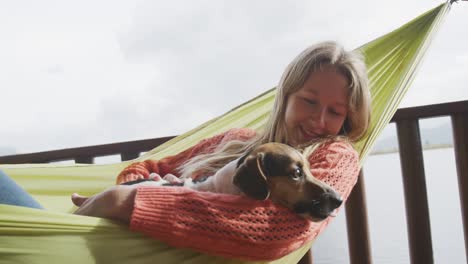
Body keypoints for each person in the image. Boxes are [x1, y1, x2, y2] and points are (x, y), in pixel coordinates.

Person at [1, 41, 371, 261]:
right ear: (286, 96)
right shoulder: (235, 141)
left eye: (336, 111)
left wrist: (131, 202)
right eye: (309, 101)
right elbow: (147, 165)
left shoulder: (333, 156)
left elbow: (277, 232)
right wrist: (147, 184)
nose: (319, 120)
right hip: (95, 241)